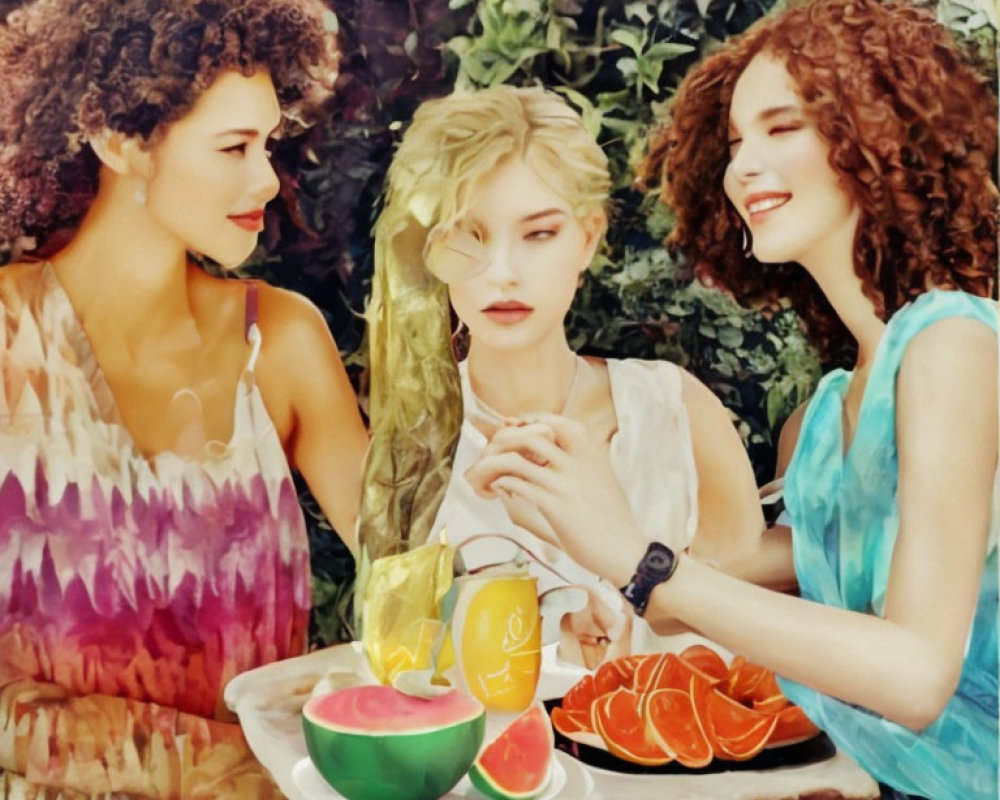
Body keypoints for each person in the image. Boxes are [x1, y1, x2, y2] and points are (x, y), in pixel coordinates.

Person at [470, 1, 998, 798]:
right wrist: (584, 532)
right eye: (737, 141)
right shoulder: (833, 407)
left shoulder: (952, 342)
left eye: (782, 128)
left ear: (878, 134)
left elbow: (918, 672)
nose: (743, 165)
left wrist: (638, 562)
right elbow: (711, 592)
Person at [0, 0, 369, 796]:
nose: (266, 177)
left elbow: (419, 571)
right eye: (234, 146)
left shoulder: (284, 343)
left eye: (267, 143)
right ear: (118, 139)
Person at [361, 84, 774, 669]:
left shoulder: (674, 411)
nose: (502, 273)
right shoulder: (411, 445)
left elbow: (762, 635)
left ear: (587, 237)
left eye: (538, 234)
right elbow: (393, 665)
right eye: (468, 233)